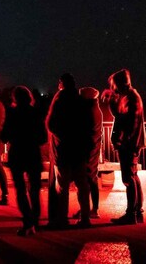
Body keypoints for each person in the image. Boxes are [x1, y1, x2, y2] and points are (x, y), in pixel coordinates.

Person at [45, 73, 92, 228]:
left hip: (63, 149)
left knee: (62, 186)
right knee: (82, 185)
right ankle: (85, 217)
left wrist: (61, 136)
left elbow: (51, 124)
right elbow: (88, 126)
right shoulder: (81, 101)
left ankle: (61, 218)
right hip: (79, 149)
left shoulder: (59, 100)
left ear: (61, 83)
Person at [0, 85, 47, 236]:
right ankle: (35, 219)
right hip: (33, 153)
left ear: (15, 98)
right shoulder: (36, 113)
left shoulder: (12, 113)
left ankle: (27, 221)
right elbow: (43, 137)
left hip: (17, 154)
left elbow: (4, 136)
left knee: (20, 190)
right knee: (34, 189)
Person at [103, 68, 146, 225]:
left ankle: (131, 214)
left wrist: (124, 141)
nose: (113, 88)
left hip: (129, 144)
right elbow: (121, 116)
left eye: (114, 84)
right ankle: (137, 211)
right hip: (132, 143)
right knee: (133, 176)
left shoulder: (130, 98)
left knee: (128, 178)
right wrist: (112, 102)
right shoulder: (131, 97)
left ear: (120, 83)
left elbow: (127, 121)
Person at [72, 86, 102, 219]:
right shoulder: (96, 110)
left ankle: (90, 210)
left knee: (86, 180)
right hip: (93, 149)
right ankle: (92, 209)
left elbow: (83, 131)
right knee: (92, 178)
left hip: (87, 150)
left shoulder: (88, 111)